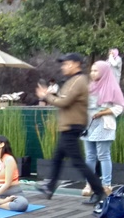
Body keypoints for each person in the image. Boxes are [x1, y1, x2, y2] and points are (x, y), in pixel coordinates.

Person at [35, 53, 106, 206]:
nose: (63, 67)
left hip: (72, 126)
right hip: (69, 126)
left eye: (66, 63)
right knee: (57, 158)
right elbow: (62, 99)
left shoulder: (79, 80)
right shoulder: (73, 80)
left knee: (78, 162)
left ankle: (99, 191)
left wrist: (46, 96)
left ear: (75, 64)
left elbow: (64, 101)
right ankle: (49, 187)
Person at [81, 60, 124, 197]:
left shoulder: (112, 87)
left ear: (104, 72)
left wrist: (102, 112)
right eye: (92, 70)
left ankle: (107, 185)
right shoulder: (89, 87)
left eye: (96, 70)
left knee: (103, 155)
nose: (93, 73)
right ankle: (89, 184)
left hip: (104, 124)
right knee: (90, 156)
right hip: (88, 123)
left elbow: (120, 107)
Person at [0, 136, 29, 212]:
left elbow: (7, 183)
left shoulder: (9, 159)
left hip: (14, 193)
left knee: (22, 204)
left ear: (2, 144)